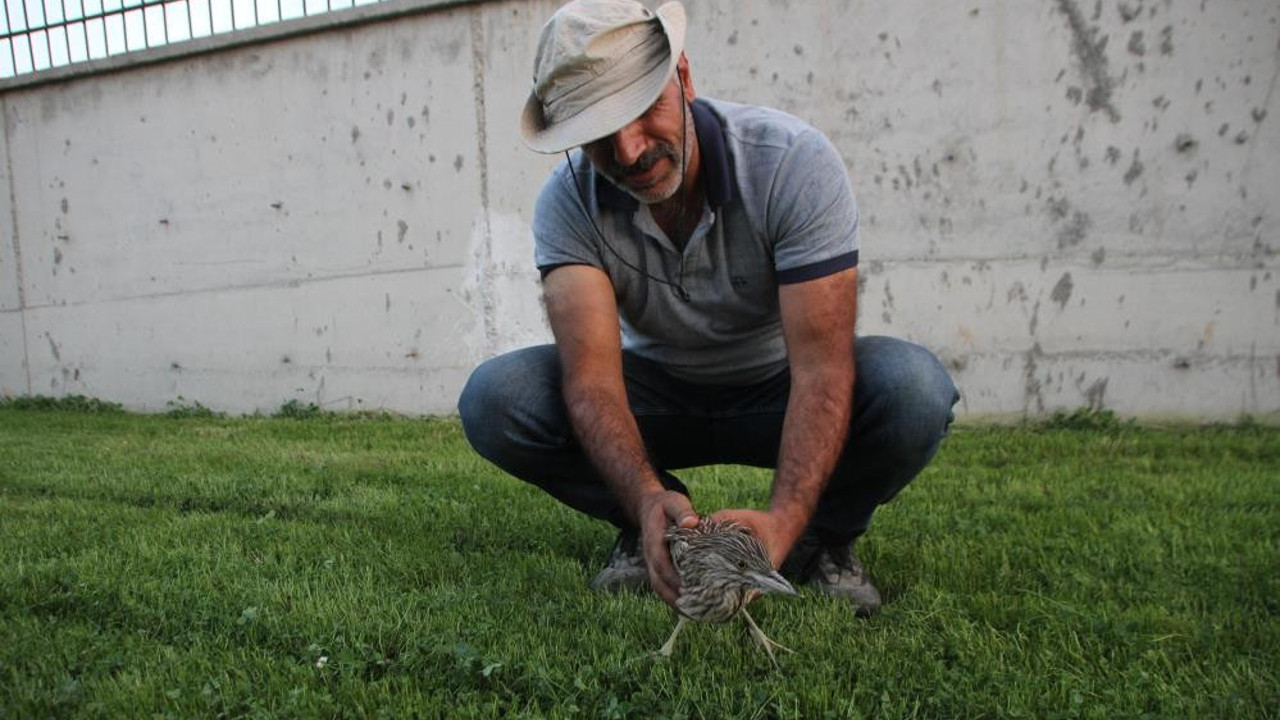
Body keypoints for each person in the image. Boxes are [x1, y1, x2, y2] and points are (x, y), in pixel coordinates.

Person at [459, 0, 959, 616]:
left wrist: (782, 520)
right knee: (497, 397)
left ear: (686, 78)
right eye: (595, 134)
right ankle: (655, 529)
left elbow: (823, 372)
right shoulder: (567, 205)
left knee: (913, 388)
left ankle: (823, 537)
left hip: (779, 389)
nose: (629, 150)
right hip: (656, 399)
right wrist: (643, 496)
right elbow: (590, 380)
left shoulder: (792, 163)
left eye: (644, 109)